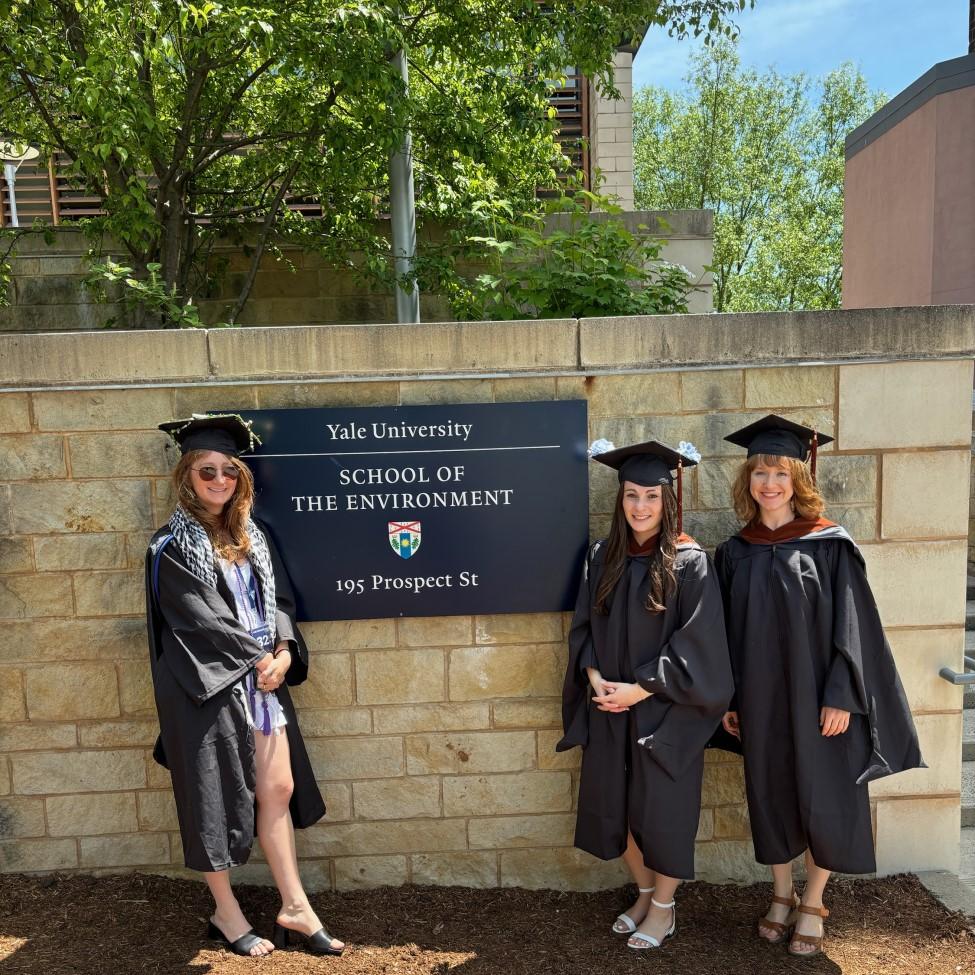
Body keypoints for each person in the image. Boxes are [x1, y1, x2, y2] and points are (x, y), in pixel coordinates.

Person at [715, 414, 923, 959]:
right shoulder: (735, 552)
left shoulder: (829, 545)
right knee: (770, 790)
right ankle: (781, 894)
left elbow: (853, 627)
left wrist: (842, 696)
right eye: (760, 472)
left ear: (798, 478)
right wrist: (731, 701)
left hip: (820, 701)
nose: (769, 483)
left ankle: (813, 900)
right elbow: (725, 637)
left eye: (780, 472)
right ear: (748, 481)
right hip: (759, 701)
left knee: (829, 795)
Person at [145, 413, 344, 958]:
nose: (219, 481)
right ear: (187, 475)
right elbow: (198, 619)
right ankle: (225, 912)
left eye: (229, 471)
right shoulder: (171, 545)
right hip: (207, 689)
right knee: (212, 800)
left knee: (277, 789)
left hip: (261, 678)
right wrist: (261, 660)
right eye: (207, 471)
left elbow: (278, 602)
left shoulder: (252, 534)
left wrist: (283, 651)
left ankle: (295, 906)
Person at [557, 439, 734, 951]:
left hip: (667, 713)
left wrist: (639, 689)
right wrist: (595, 683)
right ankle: (643, 891)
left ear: (667, 500)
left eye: (651, 497)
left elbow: (700, 645)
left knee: (665, 814)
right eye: (632, 495)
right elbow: (583, 630)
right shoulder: (601, 556)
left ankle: (663, 907)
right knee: (619, 808)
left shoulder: (689, 561)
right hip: (610, 706)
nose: (640, 507)